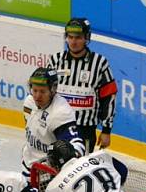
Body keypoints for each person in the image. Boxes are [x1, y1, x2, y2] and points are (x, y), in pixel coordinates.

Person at [47, 18, 118, 153]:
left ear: (87, 38)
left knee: (79, 170)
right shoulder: (55, 60)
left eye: (78, 37)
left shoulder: (100, 63)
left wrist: (106, 130)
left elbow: (109, 98)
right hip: (57, 126)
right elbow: (46, 93)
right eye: (70, 37)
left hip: (85, 130)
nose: (73, 41)